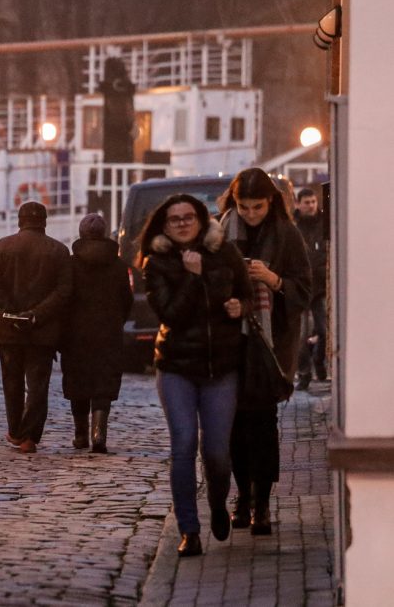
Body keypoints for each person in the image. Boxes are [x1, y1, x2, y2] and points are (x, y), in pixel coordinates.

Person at [138, 194, 252, 557]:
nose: (183, 223)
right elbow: (170, 315)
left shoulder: (226, 252)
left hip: (221, 366)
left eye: (189, 217)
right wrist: (191, 277)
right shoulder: (156, 263)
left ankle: (218, 504)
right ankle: (189, 529)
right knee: (183, 444)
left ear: (202, 220)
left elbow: (246, 294)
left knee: (217, 451)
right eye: (175, 219)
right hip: (177, 368)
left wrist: (240, 306)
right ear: (165, 226)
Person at [218, 168, 312, 536]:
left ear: (270, 202)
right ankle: (241, 496)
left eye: (258, 207)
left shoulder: (286, 234)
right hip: (231, 342)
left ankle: (262, 502)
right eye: (244, 207)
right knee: (233, 424)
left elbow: (303, 288)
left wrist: (272, 280)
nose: (251, 214)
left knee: (263, 423)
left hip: (270, 345)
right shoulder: (220, 231)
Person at [0, 201, 71, 454]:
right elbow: (64, 291)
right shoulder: (59, 250)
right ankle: (29, 437)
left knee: (11, 382)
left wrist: (11, 313)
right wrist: (36, 315)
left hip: (7, 329)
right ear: (44, 221)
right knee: (38, 384)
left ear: (20, 220)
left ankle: (15, 430)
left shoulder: (1, 247)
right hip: (42, 330)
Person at [59, 213, 132, 452]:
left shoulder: (70, 264)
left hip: (75, 335)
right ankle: (98, 434)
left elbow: (64, 299)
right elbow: (126, 301)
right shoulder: (119, 266)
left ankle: (80, 435)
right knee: (103, 383)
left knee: (78, 382)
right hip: (108, 333)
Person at [293, 187, 327, 390]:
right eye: (307, 202)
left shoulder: (325, 223)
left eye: (313, 202)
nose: (311, 206)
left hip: (320, 287)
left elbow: (326, 250)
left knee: (324, 331)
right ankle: (304, 374)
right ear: (298, 204)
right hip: (300, 287)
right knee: (300, 336)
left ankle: (319, 361)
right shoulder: (293, 227)